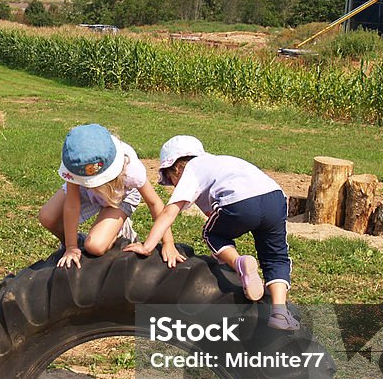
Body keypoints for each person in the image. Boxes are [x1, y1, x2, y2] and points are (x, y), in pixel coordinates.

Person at [124, 136, 299, 331]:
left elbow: (169, 212)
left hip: (240, 203)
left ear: (176, 168)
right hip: (274, 198)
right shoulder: (222, 161)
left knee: (213, 234)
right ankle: (280, 312)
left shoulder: (190, 171)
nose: (174, 185)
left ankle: (239, 263)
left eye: (171, 180)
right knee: (276, 257)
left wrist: (147, 246)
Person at [39, 123, 183, 269]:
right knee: (47, 217)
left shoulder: (131, 170)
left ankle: (119, 231)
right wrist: (71, 246)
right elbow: (72, 205)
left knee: (95, 246)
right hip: (85, 190)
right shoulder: (77, 164)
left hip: (121, 196)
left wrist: (168, 243)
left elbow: (155, 203)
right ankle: (79, 243)